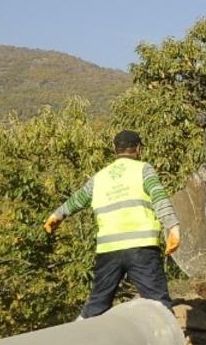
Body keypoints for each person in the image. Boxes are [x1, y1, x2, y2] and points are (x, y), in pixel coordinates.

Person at [43, 130, 181, 318]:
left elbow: (77, 200)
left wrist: (56, 215)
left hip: (108, 250)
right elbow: (159, 197)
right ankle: (167, 336)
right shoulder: (143, 169)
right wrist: (173, 226)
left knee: (97, 304)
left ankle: (79, 331)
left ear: (114, 150)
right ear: (138, 149)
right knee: (158, 304)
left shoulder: (99, 178)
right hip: (141, 247)